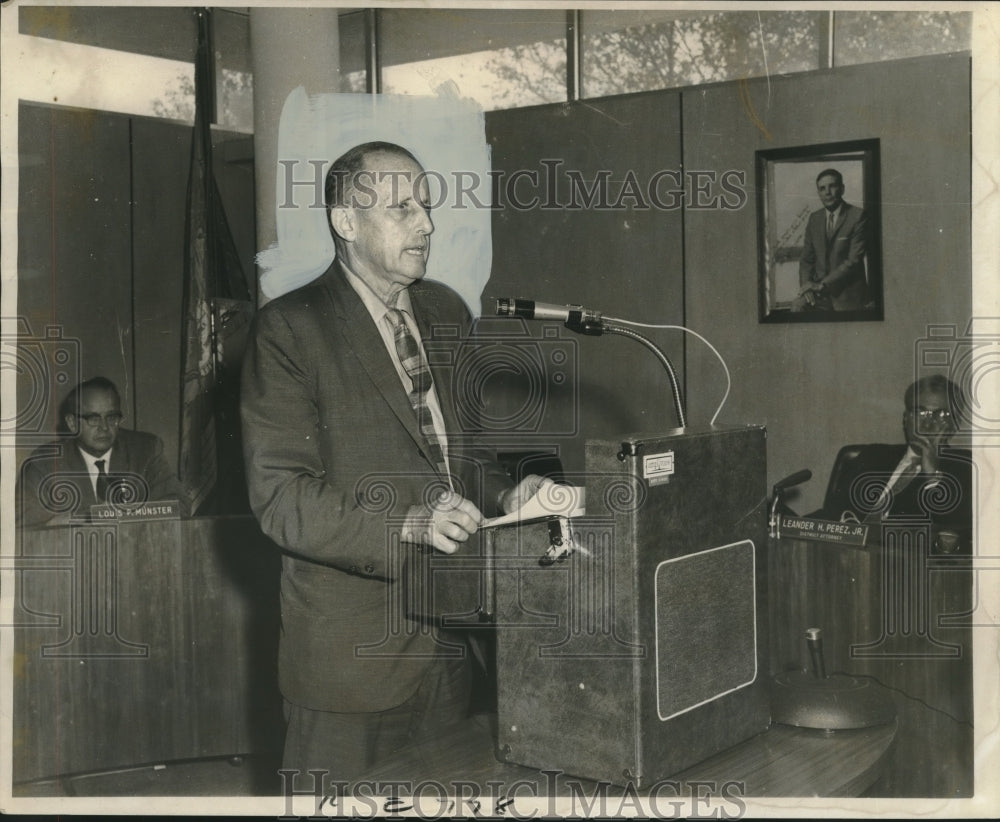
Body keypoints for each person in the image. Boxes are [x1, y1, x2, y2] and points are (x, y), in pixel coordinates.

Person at [240, 141, 547, 780]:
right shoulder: (290, 329)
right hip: (349, 662)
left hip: (451, 641)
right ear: (345, 223)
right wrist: (406, 524)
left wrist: (511, 496)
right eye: (402, 207)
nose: (427, 224)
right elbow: (282, 500)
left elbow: (463, 460)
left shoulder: (445, 311)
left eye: (427, 206)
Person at [818, 374, 972, 548]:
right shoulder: (873, 456)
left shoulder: (965, 468)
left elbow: (953, 533)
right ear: (906, 418)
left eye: (941, 415)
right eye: (920, 412)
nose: (928, 424)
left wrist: (933, 474)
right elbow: (831, 513)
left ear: (955, 424)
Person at [16, 376, 186, 527]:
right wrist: (89, 517)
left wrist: (113, 515)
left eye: (111, 417)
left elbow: (179, 505)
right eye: (93, 418)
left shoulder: (146, 450)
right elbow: (22, 519)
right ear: (72, 423)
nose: (104, 427)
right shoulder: (44, 463)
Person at [794, 168, 870, 312]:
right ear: (818, 193)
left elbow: (853, 261)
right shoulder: (814, 219)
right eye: (822, 188)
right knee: (797, 307)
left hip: (848, 296)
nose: (827, 192)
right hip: (819, 295)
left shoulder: (858, 216)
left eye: (832, 186)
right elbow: (806, 260)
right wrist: (806, 286)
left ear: (842, 189)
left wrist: (822, 285)